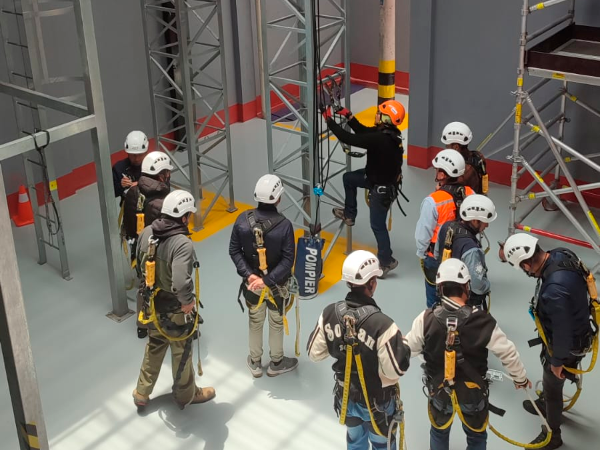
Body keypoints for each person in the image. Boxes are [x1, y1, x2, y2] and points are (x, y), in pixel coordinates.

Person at [405, 258, 531, 450]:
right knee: (476, 435)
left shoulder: (425, 319)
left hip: (439, 390)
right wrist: (520, 378)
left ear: (439, 288)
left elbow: (407, 350)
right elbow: (508, 352)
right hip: (473, 393)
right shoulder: (482, 321)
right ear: (466, 286)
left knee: (439, 431)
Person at [307, 250, 411, 450]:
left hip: (346, 397)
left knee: (355, 442)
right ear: (372, 283)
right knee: (381, 444)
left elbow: (314, 353)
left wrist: (337, 341)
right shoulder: (383, 325)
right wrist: (402, 346)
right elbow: (395, 371)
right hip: (378, 402)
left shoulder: (329, 313)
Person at [501, 233, 596, 449]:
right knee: (550, 381)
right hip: (577, 331)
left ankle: (552, 435)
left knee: (553, 384)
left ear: (526, 264)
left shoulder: (553, 291)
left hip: (567, 346)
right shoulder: (562, 254)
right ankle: (546, 404)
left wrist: (557, 362)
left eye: (523, 268)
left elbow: (563, 331)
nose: (526, 272)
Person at [132, 189, 215, 409]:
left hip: (151, 304)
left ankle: (141, 393)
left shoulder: (146, 232)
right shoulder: (181, 244)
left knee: (155, 345)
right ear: (184, 217)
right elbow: (180, 281)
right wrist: (187, 302)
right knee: (181, 351)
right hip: (175, 308)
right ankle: (186, 395)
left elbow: (138, 265)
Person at [322, 100, 405, 277]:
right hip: (378, 180)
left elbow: (349, 138)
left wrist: (329, 120)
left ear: (386, 118)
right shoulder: (390, 134)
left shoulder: (380, 139)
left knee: (378, 226)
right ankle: (349, 214)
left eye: (379, 113)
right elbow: (363, 131)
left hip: (381, 190)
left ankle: (386, 261)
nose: (376, 115)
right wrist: (349, 116)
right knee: (349, 178)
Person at [229, 174, 298, 378]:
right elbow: (288, 260)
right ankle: (277, 362)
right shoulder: (284, 226)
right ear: (278, 198)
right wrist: (266, 280)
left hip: (252, 286)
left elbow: (234, 251)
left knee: (255, 321)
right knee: (276, 323)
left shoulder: (242, 220)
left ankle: (255, 362)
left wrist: (250, 276)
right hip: (277, 286)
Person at [122, 151, 173, 339]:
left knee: (145, 284)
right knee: (167, 285)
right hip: (160, 251)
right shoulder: (165, 201)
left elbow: (128, 223)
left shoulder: (133, 192)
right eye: (167, 172)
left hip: (139, 247)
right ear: (161, 174)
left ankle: (142, 324)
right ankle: (169, 321)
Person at [415, 149, 474, 307]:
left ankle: (435, 318)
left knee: (434, 300)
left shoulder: (432, 201)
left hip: (436, 257)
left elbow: (423, 234)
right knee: (459, 295)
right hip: (462, 253)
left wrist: (422, 253)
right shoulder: (470, 193)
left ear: (442, 174)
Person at [434, 194, 497, 309]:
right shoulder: (471, 249)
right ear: (475, 220)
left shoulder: (446, 227)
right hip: (466, 304)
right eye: (485, 221)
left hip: (445, 293)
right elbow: (477, 285)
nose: (487, 225)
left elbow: (437, 254)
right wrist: (487, 285)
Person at [441, 122, 488, 194]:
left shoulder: (459, 172)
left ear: (456, 147)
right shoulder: (479, 156)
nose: (446, 148)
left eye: (447, 146)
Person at [113, 130, 149, 199]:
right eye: (133, 155)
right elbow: (111, 193)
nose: (137, 159)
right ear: (127, 153)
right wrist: (121, 185)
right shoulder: (119, 168)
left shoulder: (155, 165)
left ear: (146, 151)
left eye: (140, 155)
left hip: (151, 203)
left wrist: (140, 184)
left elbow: (164, 187)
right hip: (129, 204)